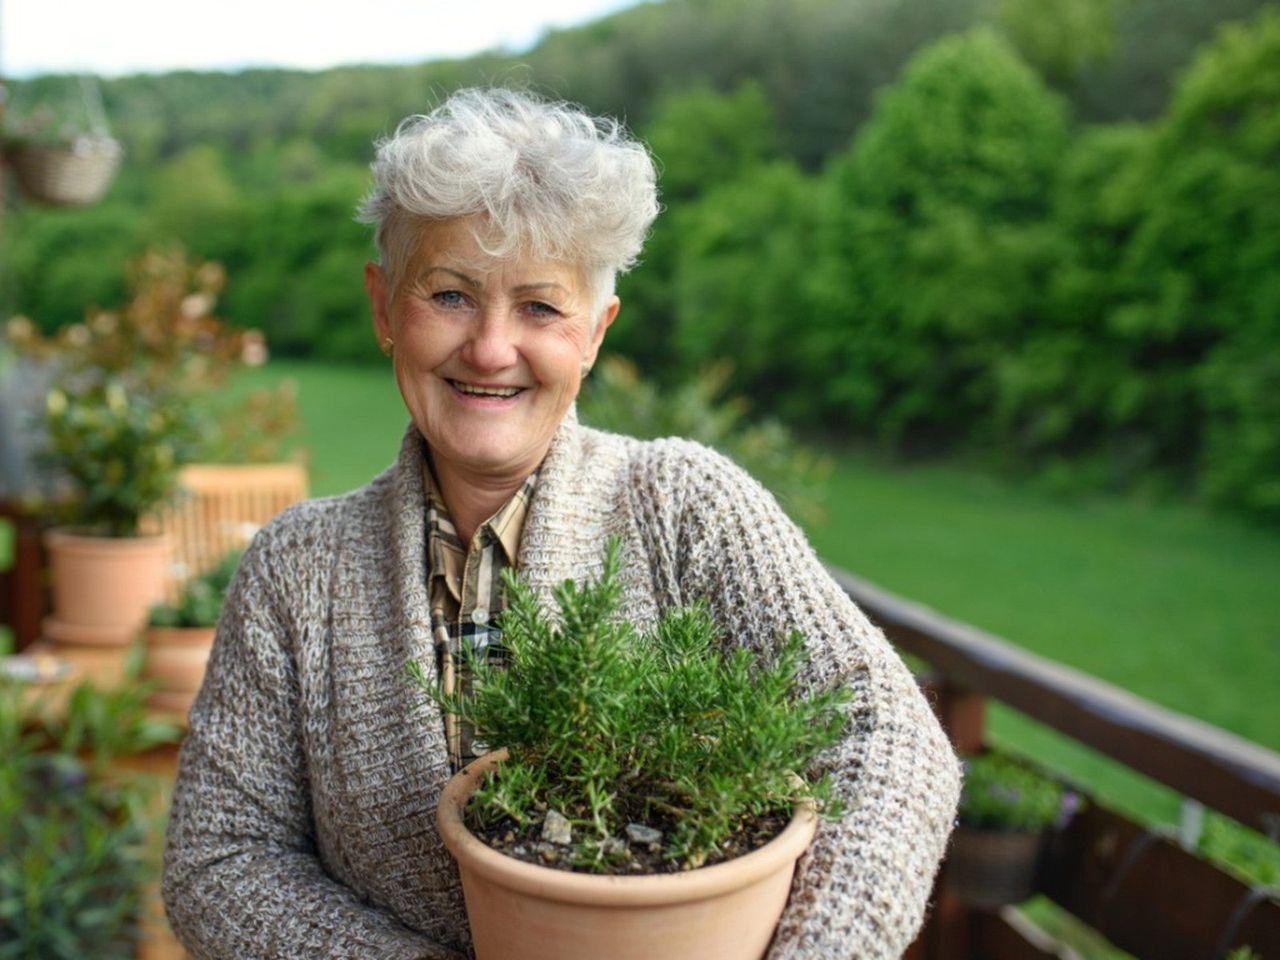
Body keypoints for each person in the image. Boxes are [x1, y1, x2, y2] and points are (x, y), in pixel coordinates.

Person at [162, 88, 960, 960]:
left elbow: (886, 738)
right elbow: (218, 860)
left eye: (540, 307)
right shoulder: (295, 568)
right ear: (385, 307)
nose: (492, 348)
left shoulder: (684, 507)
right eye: (451, 295)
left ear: (595, 332)